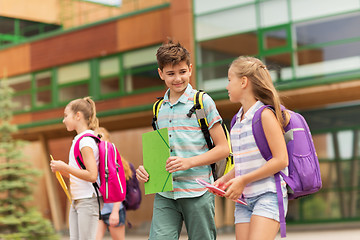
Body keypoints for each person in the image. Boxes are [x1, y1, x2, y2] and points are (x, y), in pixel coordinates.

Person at [136, 40, 230, 240]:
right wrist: (147, 170)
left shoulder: (202, 102)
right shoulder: (158, 108)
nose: (177, 78)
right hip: (165, 193)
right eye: (170, 74)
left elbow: (223, 149)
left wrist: (188, 162)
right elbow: (162, 151)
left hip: (197, 191)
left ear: (190, 69)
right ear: (161, 73)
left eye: (182, 72)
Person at [213, 56, 290, 240]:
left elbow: (281, 160)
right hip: (244, 200)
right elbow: (243, 164)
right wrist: (224, 180)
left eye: (230, 80)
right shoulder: (236, 121)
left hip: (268, 195)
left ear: (243, 82)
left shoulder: (265, 115)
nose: (227, 86)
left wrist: (242, 180)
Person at [50, 96, 102, 240]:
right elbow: (80, 174)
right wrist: (62, 170)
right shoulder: (79, 140)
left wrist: (65, 167)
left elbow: (92, 175)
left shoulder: (85, 141)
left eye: (66, 116)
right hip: (78, 199)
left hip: (87, 200)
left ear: (77, 115)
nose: (63, 120)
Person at [94, 127, 132, 240]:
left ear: (108, 142)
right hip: (99, 211)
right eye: (95, 141)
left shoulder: (114, 162)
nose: (97, 143)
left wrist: (115, 212)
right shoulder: (93, 162)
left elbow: (119, 188)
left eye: (100, 139)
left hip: (114, 209)